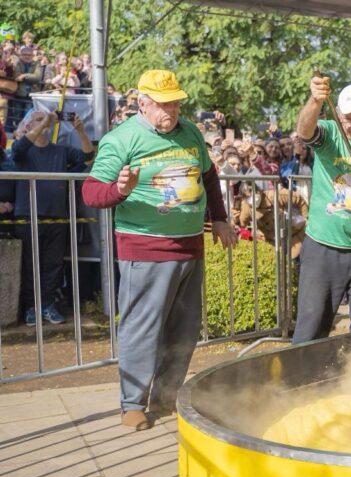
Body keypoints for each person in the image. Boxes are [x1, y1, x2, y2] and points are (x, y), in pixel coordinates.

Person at [82, 69, 237, 431]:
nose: (172, 110)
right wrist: (120, 189)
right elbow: (91, 193)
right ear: (143, 103)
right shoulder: (121, 140)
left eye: (176, 103)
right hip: (145, 249)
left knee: (183, 329)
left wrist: (220, 218)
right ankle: (133, 404)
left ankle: (167, 397)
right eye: (164, 104)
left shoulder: (190, 133)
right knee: (141, 328)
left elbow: (209, 176)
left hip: (190, 247)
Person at [292, 79, 351, 342]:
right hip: (323, 247)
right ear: (338, 113)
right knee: (311, 327)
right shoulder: (330, 133)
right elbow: (304, 131)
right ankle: (304, 380)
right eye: (349, 118)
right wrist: (316, 101)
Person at [11, 110, 94, 325]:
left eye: (46, 119)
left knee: (53, 264)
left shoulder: (61, 150)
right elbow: (17, 149)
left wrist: (81, 130)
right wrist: (44, 122)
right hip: (28, 216)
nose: (45, 121)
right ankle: (31, 307)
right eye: (37, 119)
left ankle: (47, 304)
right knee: (31, 264)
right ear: (28, 127)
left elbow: (87, 156)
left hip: (57, 216)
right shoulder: (23, 151)